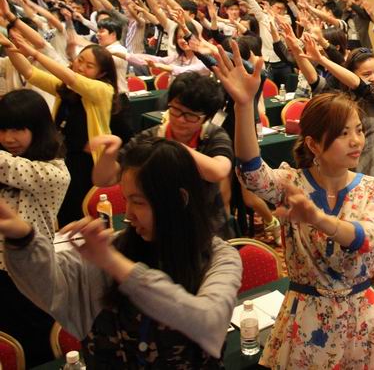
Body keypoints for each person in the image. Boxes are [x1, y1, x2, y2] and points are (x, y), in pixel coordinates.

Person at [214, 45, 374, 369]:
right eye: (343, 134)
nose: (356, 141)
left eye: (359, 130)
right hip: (307, 319)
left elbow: (365, 238)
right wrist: (243, 106)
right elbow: (252, 174)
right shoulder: (292, 183)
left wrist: (316, 218)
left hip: (360, 320)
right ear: (313, 144)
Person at [0, 137, 242, 367]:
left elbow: (208, 323)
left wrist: (114, 264)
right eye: (126, 200)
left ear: (180, 199)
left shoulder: (219, 258)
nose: (128, 215)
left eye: (138, 202)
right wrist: (24, 238)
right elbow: (50, 286)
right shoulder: (111, 250)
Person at [291, 34, 374, 293]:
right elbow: (315, 81)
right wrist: (298, 53)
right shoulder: (341, 104)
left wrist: (323, 58)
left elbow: (363, 88)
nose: (373, 77)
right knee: (342, 228)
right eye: (366, 73)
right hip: (346, 174)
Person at [92, 72, 234, 238]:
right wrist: (109, 154)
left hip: (205, 227)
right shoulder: (151, 137)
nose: (180, 120)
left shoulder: (213, 136)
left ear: (206, 118)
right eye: (175, 110)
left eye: (190, 115)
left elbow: (218, 171)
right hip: (157, 227)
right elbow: (104, 180)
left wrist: (172, 146)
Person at [0, 32, 117, 226]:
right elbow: (29, 72)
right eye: (79, 60)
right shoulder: (66, 90)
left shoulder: (104, 90)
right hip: (61, 154)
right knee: (59, 213)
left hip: (85, 161)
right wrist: (9, 47)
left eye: (89, 66)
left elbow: (72, 79)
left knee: (78, 212)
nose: (80, 67)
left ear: (102, 73)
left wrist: (35, 54)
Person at [0, 89, 70, 366]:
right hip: (2, 273)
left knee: (35, 348)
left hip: (31, 274)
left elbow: (11, 169)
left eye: (18, 129)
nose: (8, 138)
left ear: (39, 129)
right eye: (2, 129)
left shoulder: (54, 173)